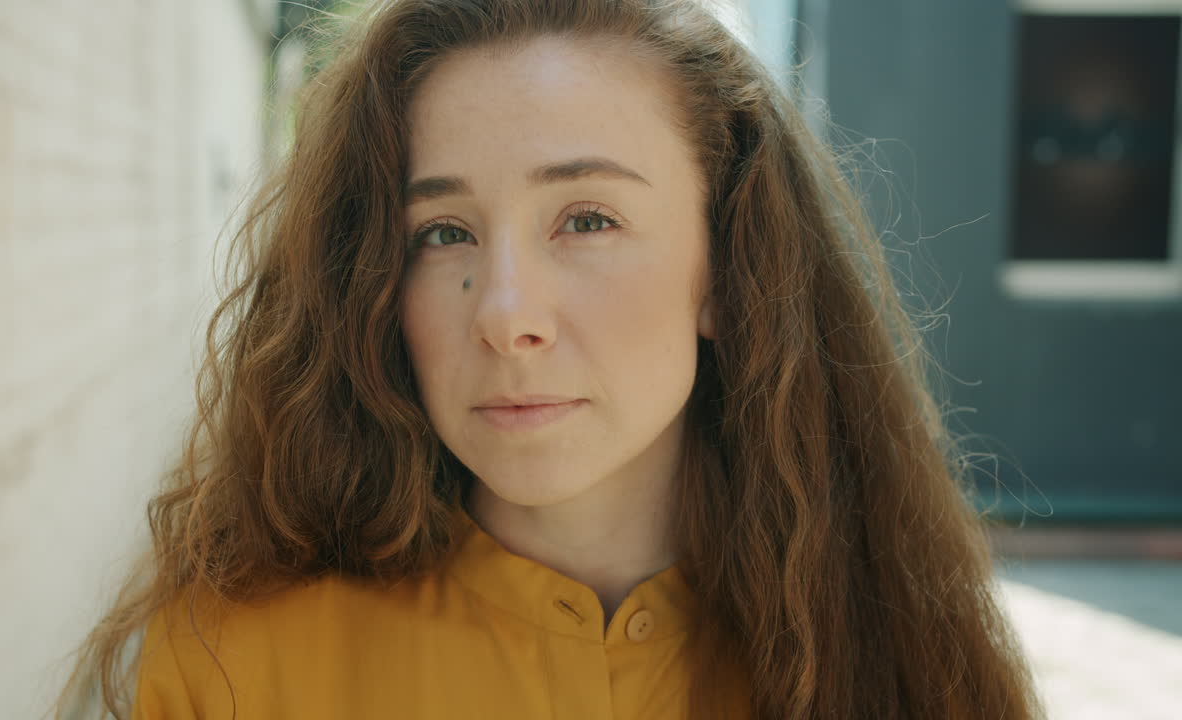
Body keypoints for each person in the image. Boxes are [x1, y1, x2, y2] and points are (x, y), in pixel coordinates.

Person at [57, 0, 1040, 718]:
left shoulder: (902, 663)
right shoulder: (231, 667)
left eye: (586, 218)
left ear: (731, 270)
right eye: (443, 233)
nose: (504, 314)